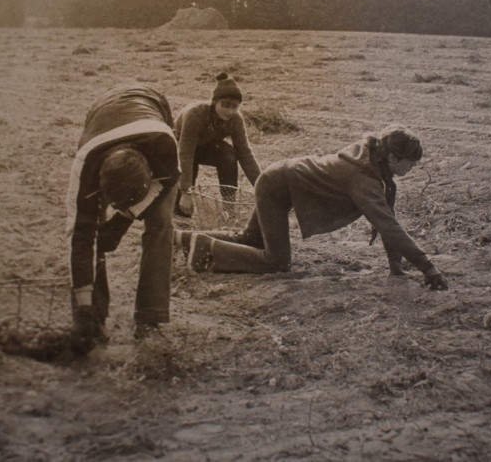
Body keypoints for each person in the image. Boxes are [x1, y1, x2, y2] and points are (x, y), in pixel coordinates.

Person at [177, 126, 448, 290]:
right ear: (392, 157)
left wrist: (395, 266)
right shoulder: (363, 178)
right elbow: (389, 226)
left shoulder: (373, 164)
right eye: (410, 163)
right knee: (277, 261)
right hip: (276, 187)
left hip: (277, 178)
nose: (411, 169)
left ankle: (181, 239)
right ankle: (203, 250)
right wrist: (428, 267)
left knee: (249, 240)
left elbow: (387, 219)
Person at [66, 84, 180, 356]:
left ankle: (150, 318)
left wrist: (124, 218)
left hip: (152, 104)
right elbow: (79, 234)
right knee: (93, 232)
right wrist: (82, 305)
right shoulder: (86, 165)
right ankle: (93, 316)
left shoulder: (164, 143)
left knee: (161, 223)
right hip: (101, 112)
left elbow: (167, 181)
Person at [174, 72, 261, 216]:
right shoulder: (195, 114)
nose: (230, 111)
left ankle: (229, 207)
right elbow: (185, 154)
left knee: (229, 155)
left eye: (234, 107)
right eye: (225, 106)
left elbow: (245, 154)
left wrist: (261, 187)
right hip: (181, 146)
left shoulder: (236, 119)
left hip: (207, 144)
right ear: (214, 102)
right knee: (183, 212)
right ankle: (178, 200)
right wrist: (186, 192)